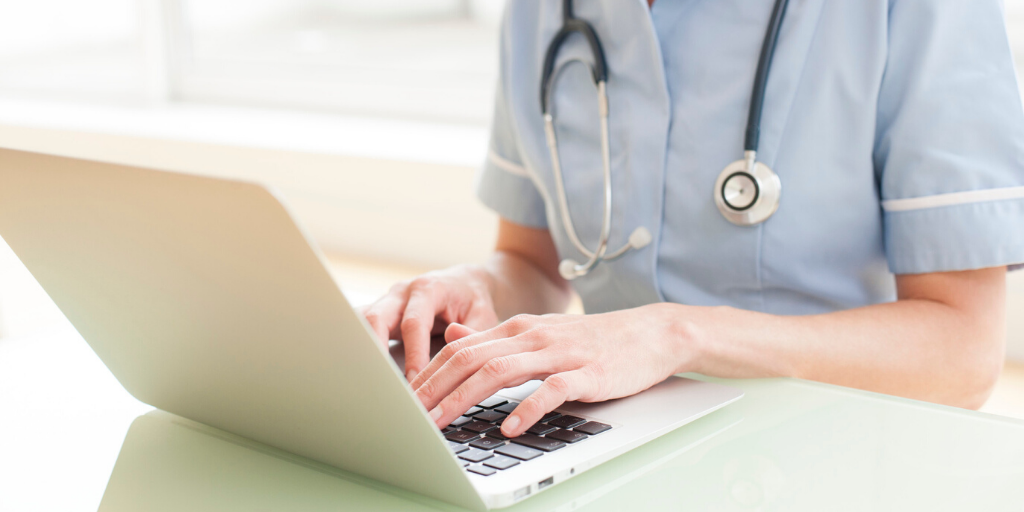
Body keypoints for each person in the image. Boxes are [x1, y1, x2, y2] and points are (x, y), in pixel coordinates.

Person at [360, 0, 1024, 440]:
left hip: (837, 445)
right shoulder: (542, 10)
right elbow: (533, 261)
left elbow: (962, 354)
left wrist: (677, 334)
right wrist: (477, 289)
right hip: (607, 442)